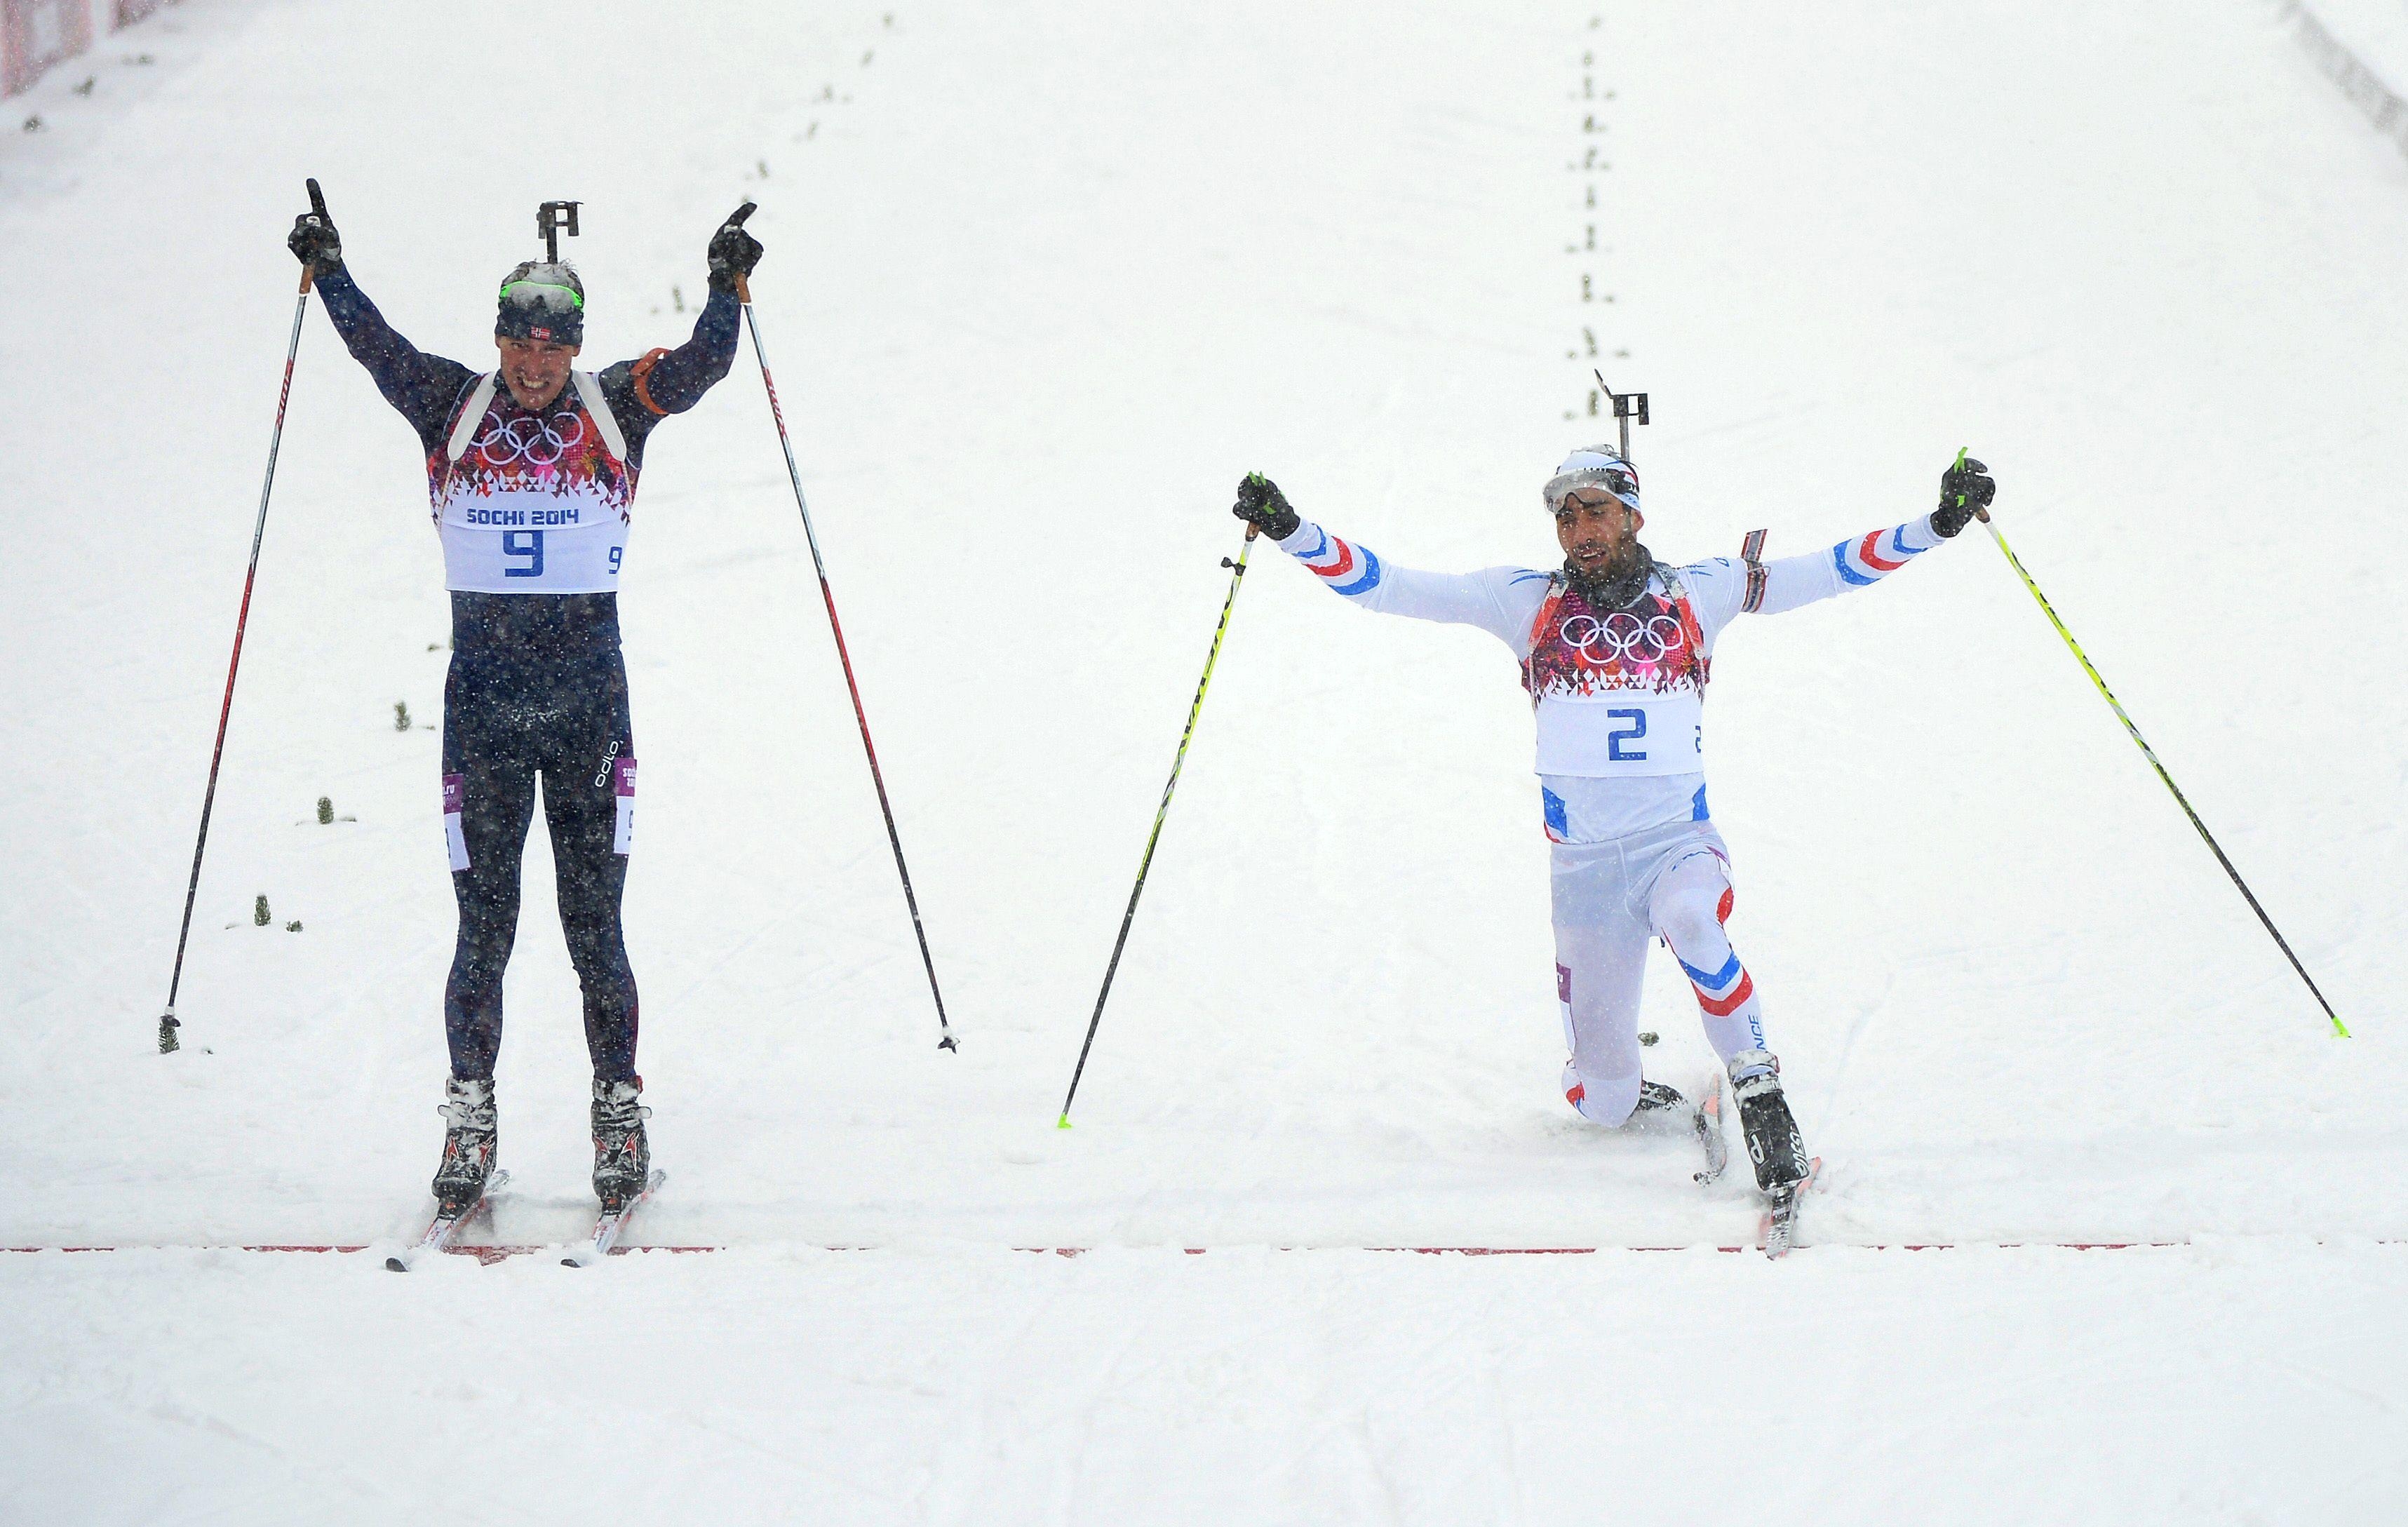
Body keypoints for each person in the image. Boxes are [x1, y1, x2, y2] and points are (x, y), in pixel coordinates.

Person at [1229, 447, 1994, 1200]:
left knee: (1695, 920)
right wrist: (1291, 529)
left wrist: (1939, 523)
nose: (1577, 528)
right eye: (1564, 516)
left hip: (1675, 845)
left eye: (1593, 509)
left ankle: (1761, 1094)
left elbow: (1828, 569)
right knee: (1601, 1103)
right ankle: (1623, 1086)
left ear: (1631, 514)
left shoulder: (1699, 590)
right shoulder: (1524, 600)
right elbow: (1386, 586)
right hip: (1586, 873)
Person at [285, 192, 764, 1213]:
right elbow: (377, 349)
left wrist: (725, 284)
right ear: (498, 338)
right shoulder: (452, 408)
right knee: (483, 928)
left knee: (595, 925)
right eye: (519, 342)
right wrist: (328, 270)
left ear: (576, 346)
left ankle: (618, 1116)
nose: (535, 364)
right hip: (485, 715)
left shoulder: (614, 407)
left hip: (591, 710)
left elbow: (706, 365)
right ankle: (469, 1120)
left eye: (553, 346)